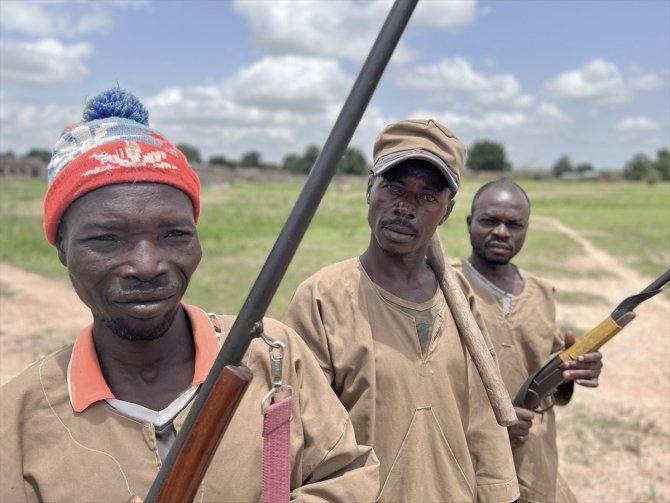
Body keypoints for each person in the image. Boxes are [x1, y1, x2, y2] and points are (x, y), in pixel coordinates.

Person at [0, 88, 379, 502]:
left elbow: (347, 475)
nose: (147, 266)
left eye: (174, 234)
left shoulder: (271, 355)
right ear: (62, 249)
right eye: (107, 238)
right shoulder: (20, 415)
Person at [284, 119, 520, 503]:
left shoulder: (460, 299)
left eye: (427, 197)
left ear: (446, 211)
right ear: (369, 190)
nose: (406, 207)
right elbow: (302, 432)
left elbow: (482, 422)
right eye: (393, 187)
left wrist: (499, 494)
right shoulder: (323, 298)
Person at [453, 178, 603, 503]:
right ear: (469, 222)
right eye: (490, 221)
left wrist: (576, 367)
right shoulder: (444, 285)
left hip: (534, 456)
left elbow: (548, 373)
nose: (502, 232)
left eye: (515, 224)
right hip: (467, 458)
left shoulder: (542, 292)